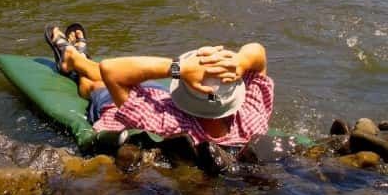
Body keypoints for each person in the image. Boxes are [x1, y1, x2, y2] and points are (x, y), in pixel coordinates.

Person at [45, 23, 274, 154]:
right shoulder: (252, 119)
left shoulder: (166, 123)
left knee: (94, 83)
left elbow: (110, 70)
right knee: (102, 76)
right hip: (160, 97)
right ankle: (76, 58)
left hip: (129, 104)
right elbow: (257, 53)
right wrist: (241, 61)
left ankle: (74, 59)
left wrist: (178, 69)